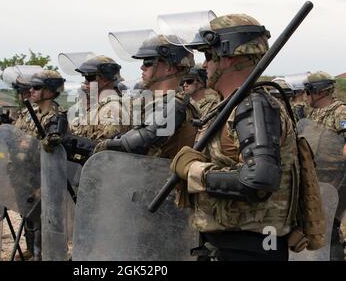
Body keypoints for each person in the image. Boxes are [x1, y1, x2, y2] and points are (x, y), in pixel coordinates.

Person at [169, 13, 322, 260]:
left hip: (246, 248)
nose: (204, 64)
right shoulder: (231, 105)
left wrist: (194, 171)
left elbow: (259, 179)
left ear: (229, 58)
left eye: (209, 55)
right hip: (229, 245)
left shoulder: (253, 106)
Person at [94, 33, 198, 159]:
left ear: (169, 68)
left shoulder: (175, 105)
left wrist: (100, 146)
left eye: (148, 62)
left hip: (161, 176)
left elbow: (137, 142)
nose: (142, 67)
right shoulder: (151, 102)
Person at [15, 69, 68, 261]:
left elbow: (53, 146)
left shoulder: (56, 117)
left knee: (42, 222)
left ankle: (41, 256)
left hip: (44, 177)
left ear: (50, 91)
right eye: (31, 87)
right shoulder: (31, 114)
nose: (32, 92)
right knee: (28, 217)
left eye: (37, 88)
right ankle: (31, 251)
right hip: (27, 175)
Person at [304, 71, 346, 260]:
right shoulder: (312, 113)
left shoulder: (341, 112)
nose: (305, 96)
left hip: (335, 183)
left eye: (308, 91)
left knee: (330, 229)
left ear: (318, 92)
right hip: (314, 182)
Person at [69, 55, 130, 148]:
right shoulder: (99, 107)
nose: (85, 82)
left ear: (105, 79)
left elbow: (103, 149)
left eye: (89, 78)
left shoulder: (112, 109)